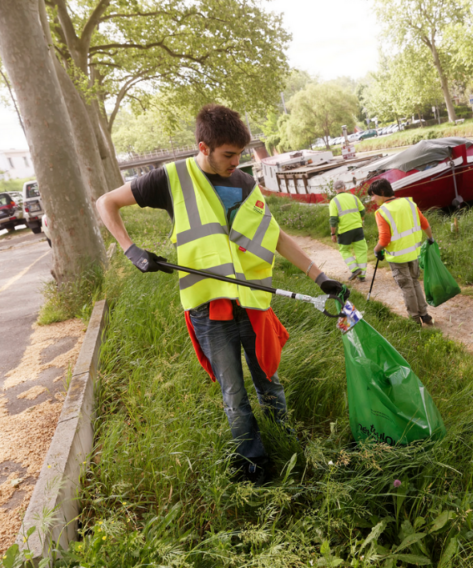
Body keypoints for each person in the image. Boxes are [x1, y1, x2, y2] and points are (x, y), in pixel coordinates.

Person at [96, 104, 349, 484]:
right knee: (234, 394)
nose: (237, 162)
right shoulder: (172, 178)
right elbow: (106, 203)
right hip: (210, 308)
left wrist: (319, 276)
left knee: (269, 380)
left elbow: (274, 235)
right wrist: (131, 250)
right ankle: (254, 465)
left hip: (252, 302)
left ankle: (286, 442)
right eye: (229, 155)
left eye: (241, 154)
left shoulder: (245, 184)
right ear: (204, 147)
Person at [368, 178, 434, 327]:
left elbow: (384, 239)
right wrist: (431, 238)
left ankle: (414, 319)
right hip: (413, 253)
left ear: (382, 192)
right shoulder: (409, 203)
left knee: (406, 286)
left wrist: (376, 250)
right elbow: (425, 223)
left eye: (373, 195)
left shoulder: (382, 212)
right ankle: (425, 315)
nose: (373, 199)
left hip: (397, 257)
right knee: (415, 282)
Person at [329, 180, 368, 282]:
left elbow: (333, 220)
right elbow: (363, 211)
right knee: (361, 250)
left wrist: (333, 234)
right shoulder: (354, 197)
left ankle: (355, 269)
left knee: (344, 250)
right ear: (345, 187)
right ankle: (362, 275)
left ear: (334, 189)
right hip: (358, 228)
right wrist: (360, 221)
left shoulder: (334, 201)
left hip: (345, 231)